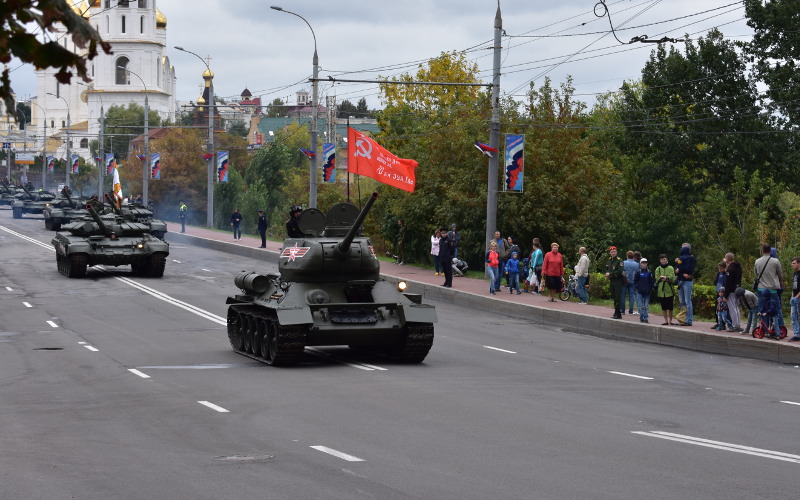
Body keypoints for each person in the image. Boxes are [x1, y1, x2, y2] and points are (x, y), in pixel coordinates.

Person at [754, 243, 784, 339]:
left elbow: (756, 274)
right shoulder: (775, 261)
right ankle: (780, 328)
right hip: (773, 289)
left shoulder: (757, 261)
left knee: (762, 309)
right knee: (777, 309)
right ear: (770, 251)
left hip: (761, 288)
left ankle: (765, 330)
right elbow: (780, 275)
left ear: (762, 251)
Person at [675, 243, 696, 326]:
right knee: (682, 301)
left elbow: (689, 269)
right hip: (680, 280)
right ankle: (682, 319)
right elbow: (676, 267)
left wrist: (680, 270)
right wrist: (678, 270)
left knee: (688, 301)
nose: (682, 249)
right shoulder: (680, 258)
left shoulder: (691, 258)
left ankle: (689, 320)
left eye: (684, 248)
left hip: (687, 281)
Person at [655, 254, 676, 325]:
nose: (663, 260)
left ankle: (671, 320)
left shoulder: (671, 268)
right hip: (661, 290)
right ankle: (665, 320)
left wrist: (665, 277)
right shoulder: (658, 269)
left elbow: (672, 277)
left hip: (669, 290)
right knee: (663, 307)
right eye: (662, 259)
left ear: (666, 260)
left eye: (664, 259)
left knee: (670, 307)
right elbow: (657, 277)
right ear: (660, 261)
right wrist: (662, 278)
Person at [724, 253, 743, 331]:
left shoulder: (730, 269)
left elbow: (728, 282)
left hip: (731, 290)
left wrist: (726, 294)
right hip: (737, 289)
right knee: (736, 307)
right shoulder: (738, 267)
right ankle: (738, 324)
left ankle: (735, 325)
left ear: (727, 259)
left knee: (732, 308)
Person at [605, 246, 624, 319]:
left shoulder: (619, 260)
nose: (613, 253)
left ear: (616, 252)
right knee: (613, 296)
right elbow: (607, 268)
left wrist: (610, 274)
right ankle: (617, 313)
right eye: (612, 252)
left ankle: (618, 313)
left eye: (614, 251)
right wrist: (607, 273)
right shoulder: (609, 260)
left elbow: (620, 271)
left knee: (617, 297)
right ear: (609, 253)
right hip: (611, 280)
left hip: (617, 280)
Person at [633, 258, 654, 323]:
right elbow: (635, 281)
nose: (644, 264)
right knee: (641, 305)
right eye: (643, 263)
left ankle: (646, 317)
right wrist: (638, 287)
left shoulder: (649, 272)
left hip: (647, 292)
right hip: (640, 291)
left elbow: (651, 281)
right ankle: (641, 317)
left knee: (646, 306)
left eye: (645, 263)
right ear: (640, 264)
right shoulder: (638, 272)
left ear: (647, 264)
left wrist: (650, 288)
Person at [622, 250, 638, 315]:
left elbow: (621, 272)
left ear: (627, 256)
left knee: (623, 296)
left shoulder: (623, 263)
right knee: (632, 296)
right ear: (633, 256)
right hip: (633, 281)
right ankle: (631, 311)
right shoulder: (637, 264)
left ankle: (622, 310)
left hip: (624, 280)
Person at [790, 257, 800, 342]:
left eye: (794, 263)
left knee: (797, 316)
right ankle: (796, 333)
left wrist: (797, 297)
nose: (792, 265)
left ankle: (797, 334)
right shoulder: (795, 274)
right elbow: (794, 287)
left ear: (799, 263)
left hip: (798, 298)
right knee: (793, 316)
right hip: (794, 297)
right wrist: (792, 296)